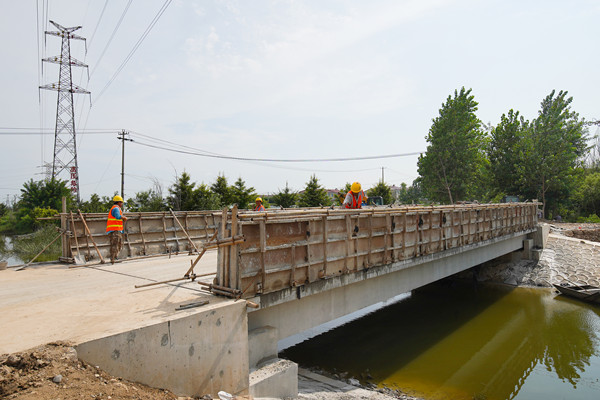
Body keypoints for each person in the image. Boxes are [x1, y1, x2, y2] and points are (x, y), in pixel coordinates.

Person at [106, 195, 128, 264]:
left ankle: (115, 257)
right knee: (115, 245)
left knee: (117, 244)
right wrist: (124, 218)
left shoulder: (115, 208)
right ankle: (113, 259)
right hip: (115, 230)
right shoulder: (116, 208)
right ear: (118, 202)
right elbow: (117, 216)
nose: (122, 204)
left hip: (116, 230)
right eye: (121, 202)